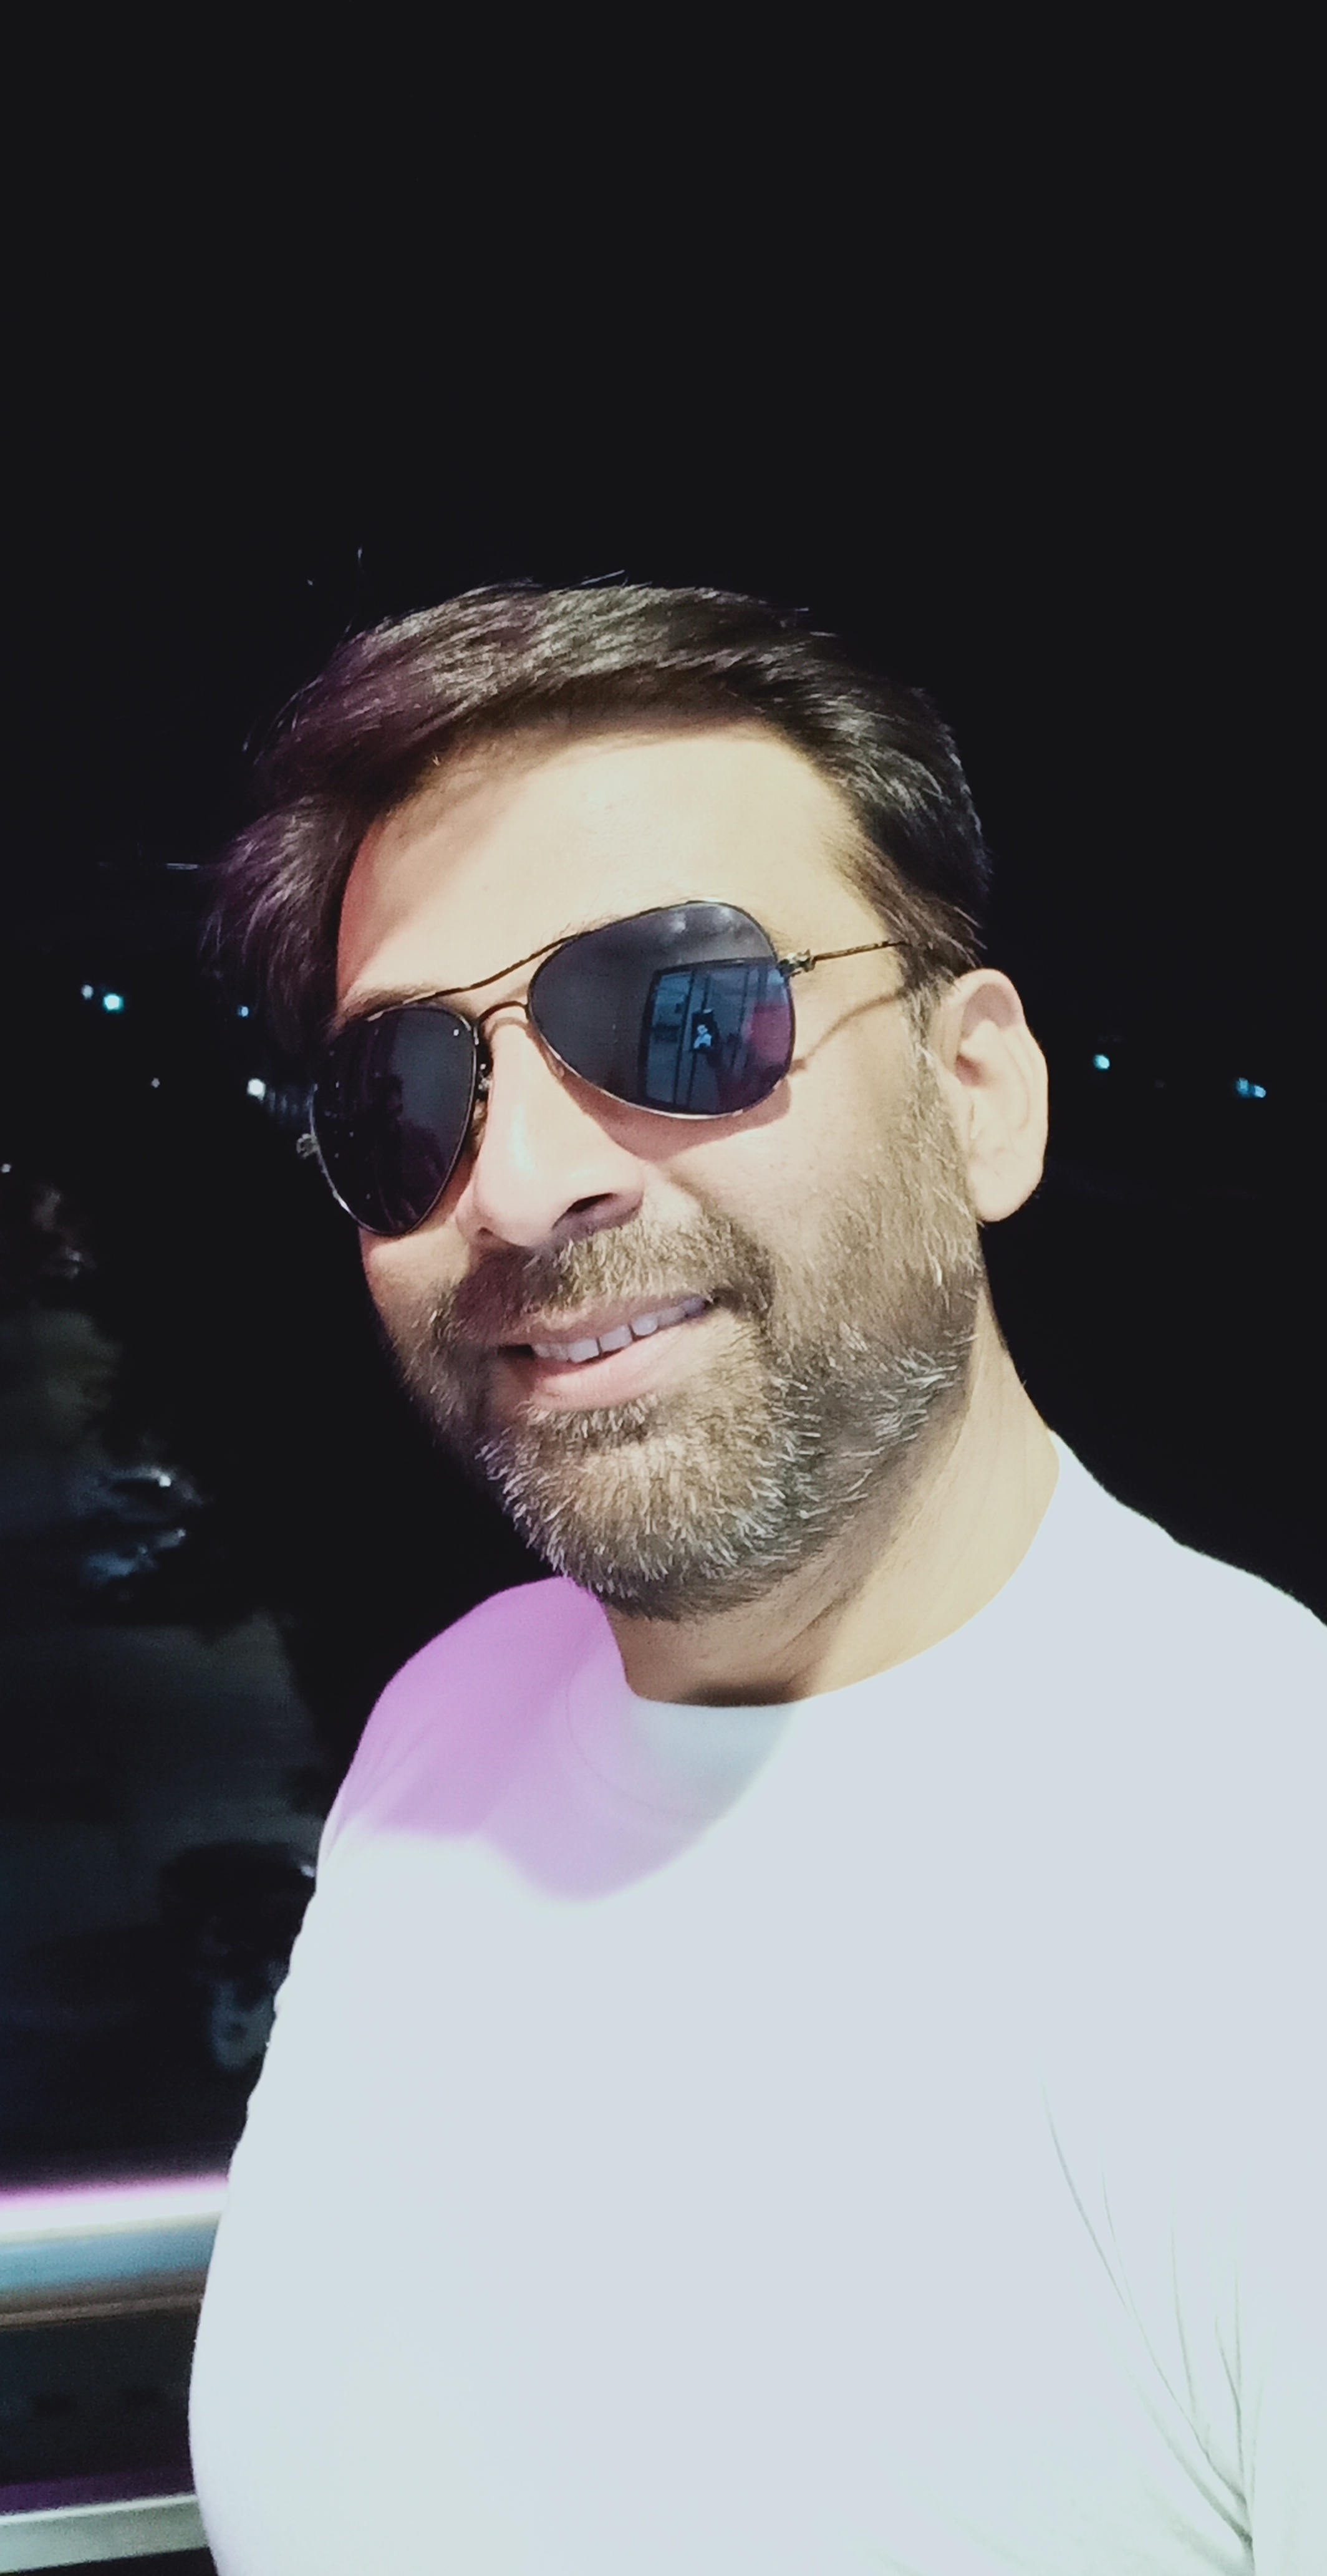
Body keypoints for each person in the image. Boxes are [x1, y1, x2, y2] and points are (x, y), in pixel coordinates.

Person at [189, 585, 1325, 2575]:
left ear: (980, 1095)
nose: (518, 1189)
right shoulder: (448, 1722)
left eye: (681, 1013)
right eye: (407, 1102)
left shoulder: (1263, 1900)